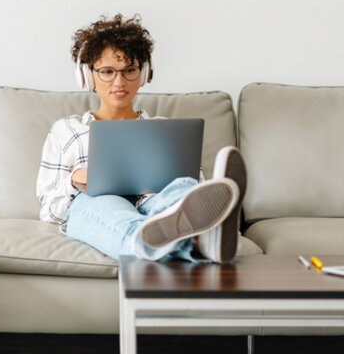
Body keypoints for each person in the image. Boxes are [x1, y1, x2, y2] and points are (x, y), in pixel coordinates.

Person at [36, 14, 248, 263]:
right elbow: (49, 208)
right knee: (102, 207)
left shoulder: (165, 131)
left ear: (144, 73)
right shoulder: (67, 130)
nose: (119, 81)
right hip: (98, 203)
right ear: (87, 76)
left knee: (182, 189)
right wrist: (74, 181)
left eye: (130, 70)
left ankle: (203, 228)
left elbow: (196, 194)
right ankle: (198, 240)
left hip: (157, 203)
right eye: (107, 72)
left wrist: (208, 205)